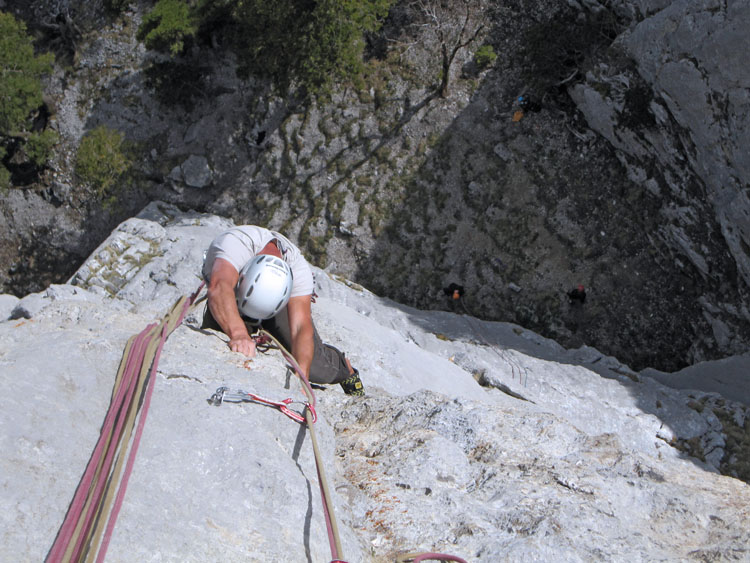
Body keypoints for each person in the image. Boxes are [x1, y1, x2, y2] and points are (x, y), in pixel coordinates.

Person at [201, 226, 364, 396]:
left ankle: (344, 369)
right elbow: (220, 287)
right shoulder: (235, 245)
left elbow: (301, 325)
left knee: (316, 366)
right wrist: (239, 334)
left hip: (277, 307)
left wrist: (302, 376)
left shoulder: (298, 271)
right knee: (217, 343)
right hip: (232, 294)